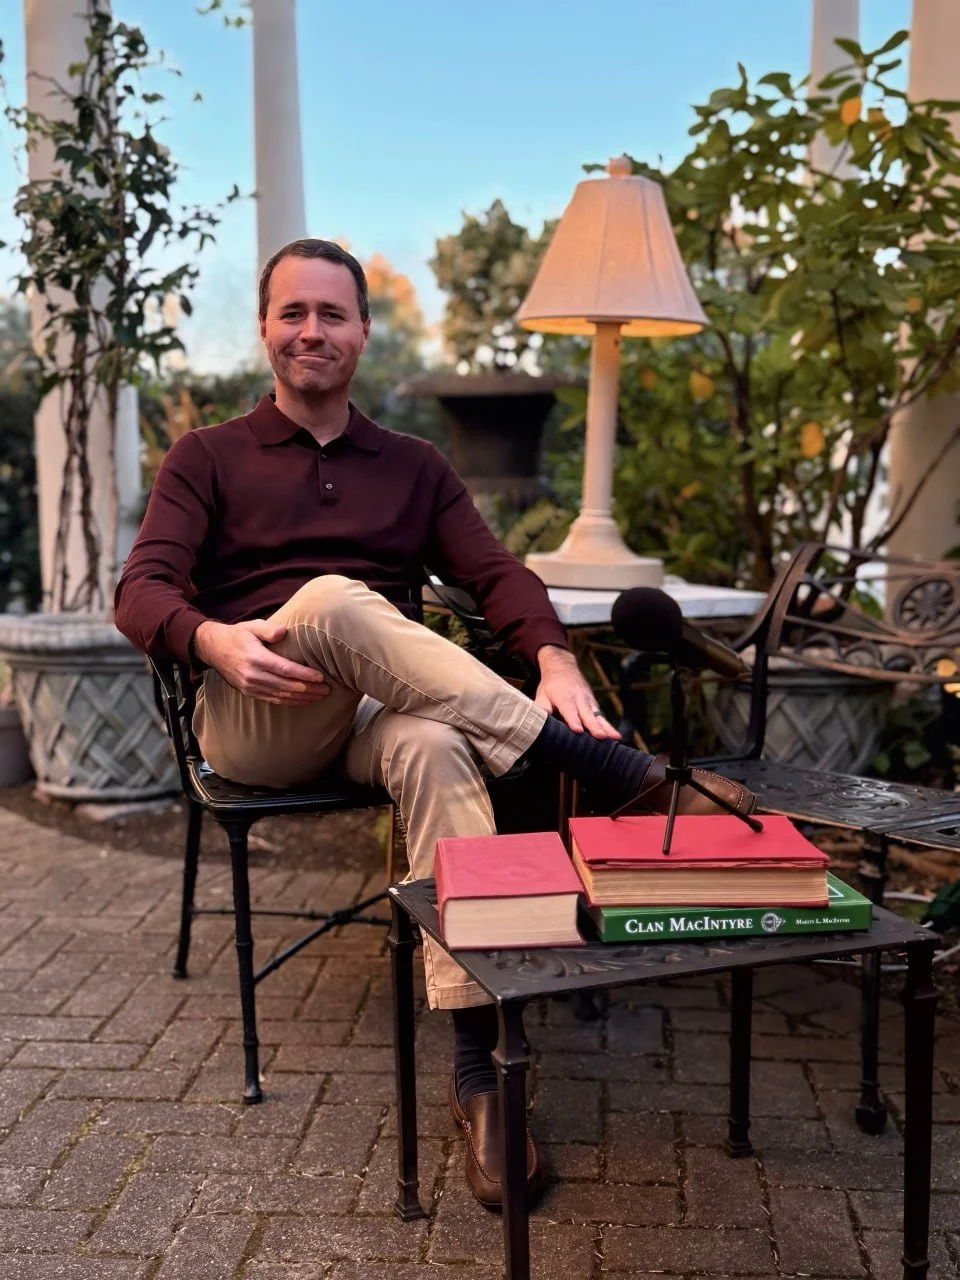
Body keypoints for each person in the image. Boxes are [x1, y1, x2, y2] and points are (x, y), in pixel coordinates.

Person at [115, 238, 756, 1210]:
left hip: (371, 711)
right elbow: (140, 590)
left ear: (364, 332)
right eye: (294, 312)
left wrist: (550, 652)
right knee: (331, 596)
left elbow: (496, 572)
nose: (312, 331)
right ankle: (588, 761)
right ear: (265, 329)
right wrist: (211, 641)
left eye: (333, 314)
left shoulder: (413, 464)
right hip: (256, 713)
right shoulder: (207, 456)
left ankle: (481, 1072)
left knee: (439, 742)